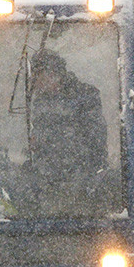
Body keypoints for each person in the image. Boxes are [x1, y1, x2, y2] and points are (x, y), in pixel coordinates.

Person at [21, 48, 110, 214]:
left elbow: (95, 139)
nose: (35, 82)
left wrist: (52, 142)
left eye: (38, 76)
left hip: (80, 177)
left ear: (54, 74)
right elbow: (41, 131)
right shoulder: (41, 100)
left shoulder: (85, 96)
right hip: (50, 177)